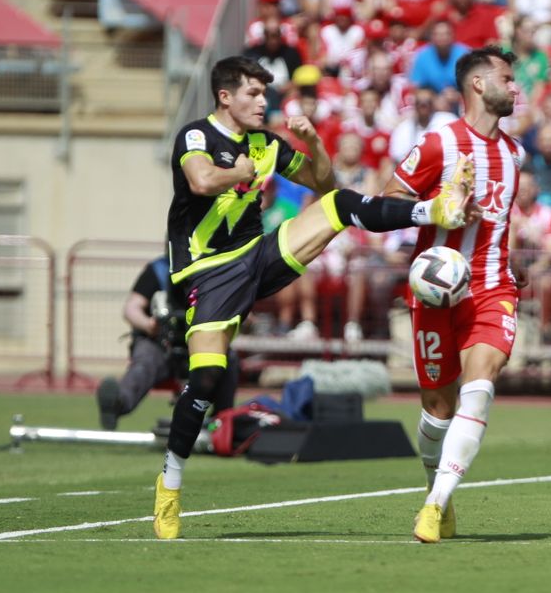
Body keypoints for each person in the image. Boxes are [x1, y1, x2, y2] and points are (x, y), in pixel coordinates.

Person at [151, 56, 475, 539]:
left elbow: (324, 183)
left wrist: (314, 142)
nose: (263, 102)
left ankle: (434, 210)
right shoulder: (197, 135)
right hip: (208, 272)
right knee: (206, 380)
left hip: (257, 255)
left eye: (265, 94)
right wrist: (237, 172)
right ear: (225, 96)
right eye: (253, 93)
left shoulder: (265, 143)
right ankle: (170, 483)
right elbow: (200, 180)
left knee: (339, 205)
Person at [386, 46, 523, 543]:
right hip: (435, 293)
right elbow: (389, 201)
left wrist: (514, 263)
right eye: (507, 78)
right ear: (479, 84)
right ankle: (434, 488)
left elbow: (501, 224)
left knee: (480, 386)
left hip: (492, 287)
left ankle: (436, 504)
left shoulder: (514, 154)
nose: (515, 87)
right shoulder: (439, 144)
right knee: (437, 410)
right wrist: (438, 208)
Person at [95, 257, 177, 430]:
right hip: (158, 343)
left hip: (200, 345)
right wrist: (148, 324)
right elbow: (131, 308)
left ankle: (226, 422)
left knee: (227, 359)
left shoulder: (212, 266)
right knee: (145, 361)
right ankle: (117, 403)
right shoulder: (159, 270)